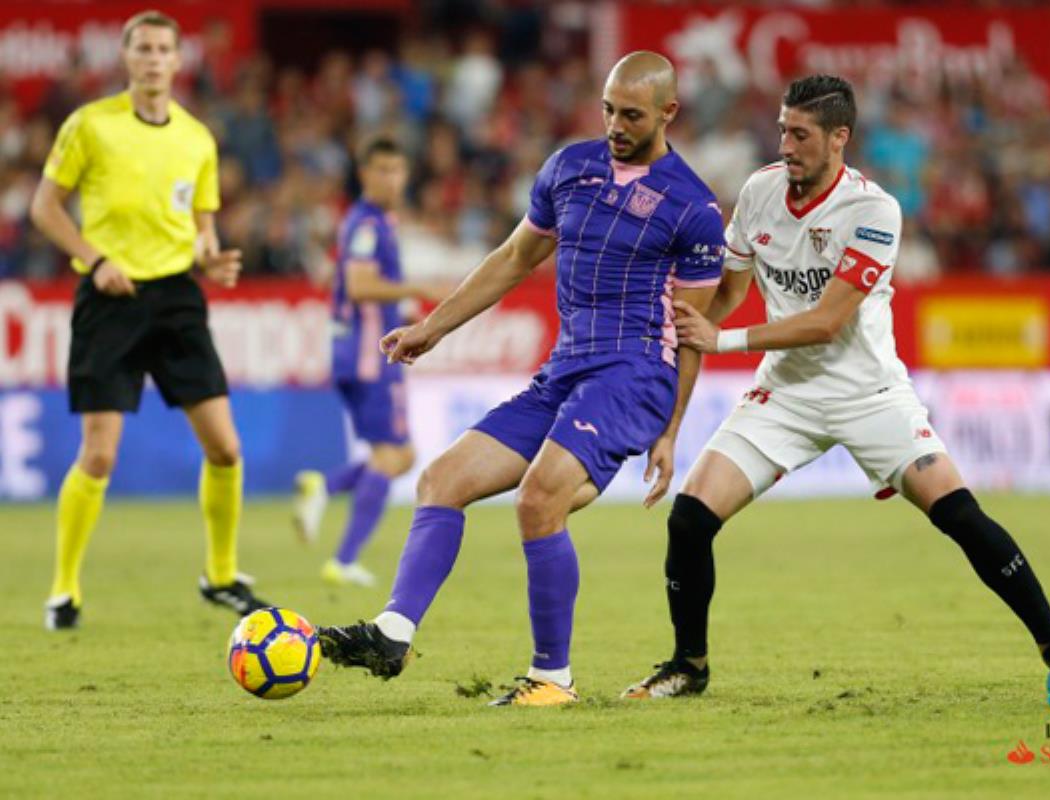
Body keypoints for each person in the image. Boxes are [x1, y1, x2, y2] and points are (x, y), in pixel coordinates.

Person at [622, 75, 1050, 701]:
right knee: (691, 519)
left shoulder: (873, 210)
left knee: (961, 516)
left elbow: (828, 321)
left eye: (801, 134)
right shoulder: (758, 192)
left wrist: (720, 341)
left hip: (871, 395)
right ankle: (688, 666)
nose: (786, 144)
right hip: (787, 394)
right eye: (782, 129)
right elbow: (729, 293)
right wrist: (692, 325)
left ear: (840, 139)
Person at [317, 51, 725, 706]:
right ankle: (392, 633)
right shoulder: (569, 168)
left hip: (634, 373)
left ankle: (551, 679)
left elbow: (693, 329)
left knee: (539, 499)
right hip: (566, 369)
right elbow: (513, 258)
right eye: (608, 109)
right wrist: (434, 327)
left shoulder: (694, 208)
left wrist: (671, 431)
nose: (615, 124)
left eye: (632, 114)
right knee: (440, 480)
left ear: (668, 113)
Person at [31, 10, 269, 630]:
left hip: (176, 298)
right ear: (127, 57)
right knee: (100, 456)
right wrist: (93, 258)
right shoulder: (91, 125)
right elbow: (44, 207)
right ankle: (64, 588)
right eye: (144, 48)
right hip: (110, 299)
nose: (155, 58)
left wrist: (210, 258)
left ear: (178, 59)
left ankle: (220, 575)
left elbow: (202, 228)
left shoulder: (196, 138)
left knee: (224, 447)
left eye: (165, 48)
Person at [292, 135, 445, 587]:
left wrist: (404, 313)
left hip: (363, 347)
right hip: (367, 354)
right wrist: (416, 289)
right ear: (365, 174)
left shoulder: (375, 221)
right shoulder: (366, 224)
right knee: (389, 455)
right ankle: (343, 560)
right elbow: (359, 286)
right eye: (382, 170)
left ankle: (325, 487)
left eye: (397, 170)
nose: (391, 178)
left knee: (403, 454)